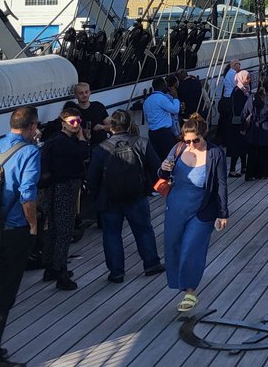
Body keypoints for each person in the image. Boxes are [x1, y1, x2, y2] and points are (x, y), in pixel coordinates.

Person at [0, 106, 41, 367]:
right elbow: (27, 194)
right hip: (13, 231)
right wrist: (33, 225)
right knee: (3, 295)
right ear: (32, 126)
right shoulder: (29, 152)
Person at [160, 114, 228, 313]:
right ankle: (180, 283)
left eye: (195, 140)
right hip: (176, 207)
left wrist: (223, 213)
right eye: (187, 140)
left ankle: (190, 292)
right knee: (173, 246)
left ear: (203, 135)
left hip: (202, 209)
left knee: (192, 247)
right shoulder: (178, 149)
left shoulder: (214, 153)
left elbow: (221, 184)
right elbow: (162, 174)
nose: (191, 144)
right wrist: (163, 169)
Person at [86, 110, 164, 282]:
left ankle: (117, 272)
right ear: (130, 125)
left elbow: (92, 178)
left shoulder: (101, 149)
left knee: (112, 234)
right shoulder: (143, 143)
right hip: (137, 196)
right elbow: (157, 168)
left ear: (111, 127)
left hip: (109, 198)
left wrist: (97, 196)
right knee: (143, 230)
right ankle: (151, 264)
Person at [40, 105, 90, 290]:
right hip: (65, 186)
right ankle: (61, 272)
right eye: (73, 122)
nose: (76, 125)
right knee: (64, 230)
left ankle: (50, 267)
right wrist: (83, 137)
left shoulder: (53, 140)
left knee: (53, 227)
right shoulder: (67, 142)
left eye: (79, 122)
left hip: (53, 186)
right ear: (64, 123)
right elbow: (84, 153)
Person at [242, 78, 268, 179]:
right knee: (266, 153)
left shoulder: (252, 97)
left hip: (254, 127)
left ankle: (251, 174)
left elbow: (244, 113)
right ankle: (265, 173)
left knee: (252, 153)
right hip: (267, 126)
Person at [144, 76, 181, 159]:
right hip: (164, 134)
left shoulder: (147, 101)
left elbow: (146, 118)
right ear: (163, 87)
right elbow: (175, 110)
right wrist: (175, 97)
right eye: (165, 85)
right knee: (170, 157)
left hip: (152, 133)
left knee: (159, 157)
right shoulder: (162, 98)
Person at [226, 69, 252, 177]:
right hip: (238, 123)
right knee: (237, 145)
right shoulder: (238, 91)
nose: (249, 80)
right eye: (247, 78)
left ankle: (244, 166)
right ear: (241, 78)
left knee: (243, 145)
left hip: (242, 122)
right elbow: (238, 108)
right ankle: (232, 169)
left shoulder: (244, 90)